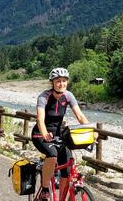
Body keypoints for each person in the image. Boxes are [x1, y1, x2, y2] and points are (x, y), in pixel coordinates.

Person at [32, 67, 95, 200]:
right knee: (52, 155)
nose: (62, 84)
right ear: (52, 83)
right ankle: (44, 189)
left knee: (66, 170)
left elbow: (80, 115)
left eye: (64, 81)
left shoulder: (68, 95)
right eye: (58, 81)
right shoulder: (44, 96)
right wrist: (44, 132)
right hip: (40, 134)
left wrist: (90, 131)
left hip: (58, 134)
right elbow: (40, 118)